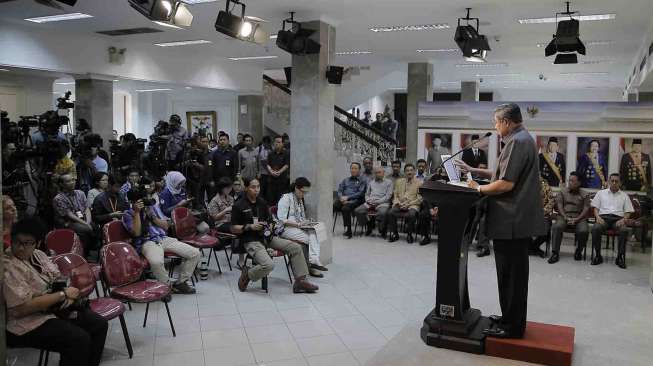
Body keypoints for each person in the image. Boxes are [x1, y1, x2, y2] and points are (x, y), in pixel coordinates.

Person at [462, 103, 545, 339]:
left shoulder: (517, 142)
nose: (495, 126)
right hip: (514, 221)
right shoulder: (522, 138)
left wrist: (477, 189)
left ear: (507, 122)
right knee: (510, 276)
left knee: (511, 277)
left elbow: (506, 184)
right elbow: (503, 173)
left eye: (496, 122)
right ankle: (510, 317)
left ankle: (512, 327)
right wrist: (473, 170)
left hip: (511, 221)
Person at [4, 218, 108, 366]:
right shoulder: (8, 265)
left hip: (51, 309)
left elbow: (57, 279)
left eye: (27, 243)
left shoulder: (38, 255)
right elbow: (20, 308)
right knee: (78, 340)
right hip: (24, 323)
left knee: (99, 324)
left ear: (37, 243)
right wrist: (63, 295)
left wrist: (67, 295)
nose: (20, 248)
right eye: (17, 242)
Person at [232, 178, 318, 293]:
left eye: (258, 187)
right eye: (253, 187)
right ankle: (248, 274)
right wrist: (249, 227)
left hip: (267, 237)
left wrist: (271, 225)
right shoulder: (238, 205)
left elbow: (271, 220)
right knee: (268, 265)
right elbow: (233, 228)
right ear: (246, 188)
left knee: (296, 248)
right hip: (251, 240)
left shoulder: (262, 202)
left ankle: (300, 281)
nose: (256, 190)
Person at [123, 189, 200, 294]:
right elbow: (136, 233)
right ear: (133, 202)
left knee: (195, 253)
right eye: (142, 200)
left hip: (162, 238)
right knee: (156, 262)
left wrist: (152, 217)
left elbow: (165, 226)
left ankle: (181, 282)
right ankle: (166, 286)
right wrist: (137, 212)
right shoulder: (127, 214)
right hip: (147, 242)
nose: (146, 201)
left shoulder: (150, 208)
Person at [277, 177, 328, 277]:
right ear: (296, 188)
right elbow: (281, 220)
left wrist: (307, 222)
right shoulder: (286, 198)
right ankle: (311, 264)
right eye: (303, 192)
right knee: (310, 239)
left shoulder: (299, 200)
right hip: (286, 229)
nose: (304, 194)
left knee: (319, 230)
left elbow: (300, 216)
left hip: (298, 227)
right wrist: (298, 224)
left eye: (306, 192)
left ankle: (313, 261)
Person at [589, 173, 634, 268]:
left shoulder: (624, 196)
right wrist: (597, 217)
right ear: (609, 182)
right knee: (595, 228)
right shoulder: (601, 193)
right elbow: (595, 208)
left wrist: (624, 220)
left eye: (616, 181)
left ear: (620, 183)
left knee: (624, 230)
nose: (614, 183)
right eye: (612, 181)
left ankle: (620, 257)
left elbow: (628, 211)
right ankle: (597, 255)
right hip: (603, 218)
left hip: (617, 220)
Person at [548, 172, 590, 264]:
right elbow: (559, 206)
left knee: (584, 230)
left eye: (572, 181)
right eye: (569, 180)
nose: (570, 182)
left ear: (579, 183)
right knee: (557, 227)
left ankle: (579, 251)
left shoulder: (585, 194)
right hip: (564, 216)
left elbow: (586, 208)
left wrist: (577, 219)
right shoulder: (562, 192)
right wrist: (565, 217)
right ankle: (555, 253)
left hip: (579, 218)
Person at [53, 174, 96, 255]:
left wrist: (88, 222)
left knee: (94, 226)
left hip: (82, 219)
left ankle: (87, 251)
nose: (72, 182)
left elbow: (87, 208)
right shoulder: (58, 198)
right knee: (86, 229)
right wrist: (86, 224)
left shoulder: (80, 193)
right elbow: (69, 215)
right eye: (68, 181)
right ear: (61, 184)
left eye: (73, 180)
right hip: (68, 222)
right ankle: (81, 253)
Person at [387, 164, 422, 244]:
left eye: (411, 170)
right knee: (391, 213)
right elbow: (395, 194)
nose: (409, 172)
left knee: (412, 214)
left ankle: (409, 234)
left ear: (414, 171)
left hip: (412, 204)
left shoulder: (419, 183)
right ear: (404, 172)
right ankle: (395, 233)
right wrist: (397, 202)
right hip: (400, 203)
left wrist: (408, 205)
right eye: (407, 170)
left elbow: (419, 198)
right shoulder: (399, 181)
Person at [354, 166, 393, 237]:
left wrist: (378, 202)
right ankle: (369, 225)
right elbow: (367, 194)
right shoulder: (371, 182)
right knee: (358, 211)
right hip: (370, 202)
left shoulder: (389, 182)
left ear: (383, 173)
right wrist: (368, 200)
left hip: (382, 203)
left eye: (379, 172)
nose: (377, 174)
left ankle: (382, 229)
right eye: (376, 173)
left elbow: (388, 196)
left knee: (382, 213)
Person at [334, 162, 367, 239]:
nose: (353, 170)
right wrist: (341, 197)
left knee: (345, 208)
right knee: (333, 206)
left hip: (356, 200)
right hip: (343, 199)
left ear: (359, 170)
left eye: (355, 168)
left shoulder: (362, 181)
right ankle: (326, 228)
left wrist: (348, 198)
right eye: (352, 168)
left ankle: (348, 230)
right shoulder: (345, 180)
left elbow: (360, 193)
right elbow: (340, 190)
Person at [530, 177, 554, 257]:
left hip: (543, 215)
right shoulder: (526, 186)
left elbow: (551, 203)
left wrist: (541, 213)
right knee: (521, 227)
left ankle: (533, 247)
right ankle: (533, 248)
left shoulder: (546, 187)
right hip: (529, 215)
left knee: (545, 231)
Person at [266, 136, 290, 205]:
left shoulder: (286, 153)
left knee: (280, 199)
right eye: (276, 142)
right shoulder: (271, 153)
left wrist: (279, 172)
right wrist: (271, 171)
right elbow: (268, 164)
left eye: (279, 142)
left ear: (282, 143)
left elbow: (286, 165)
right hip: (272, 179)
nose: (277, 143)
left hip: (282, 180)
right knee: (271, 198)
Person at [256, 136, 272, 201]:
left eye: (268, 144)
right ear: (263, 142)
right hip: (261, 174)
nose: (266, 145)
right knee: (261, 190)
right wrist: (257, 172)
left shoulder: (271, 149)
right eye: (265, 143)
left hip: (269, 174)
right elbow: (256, 161)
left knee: (268, 190)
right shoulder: (258, 149)